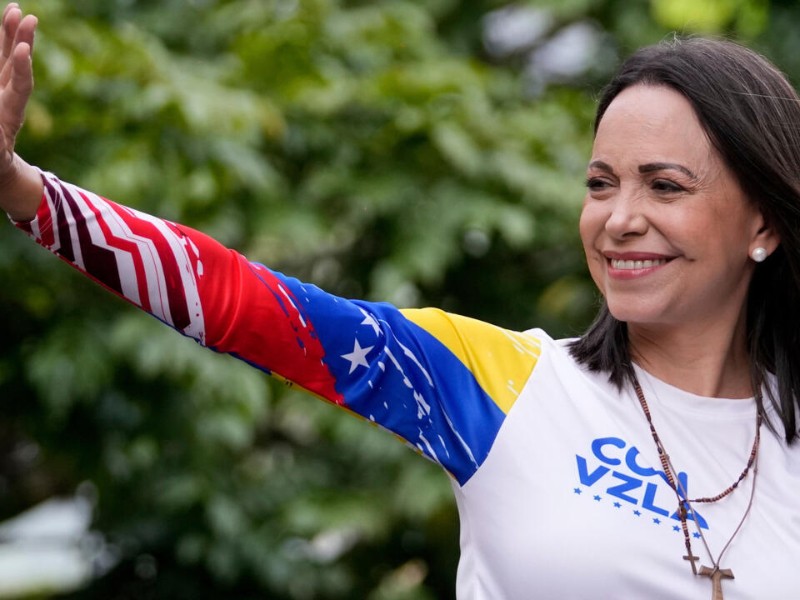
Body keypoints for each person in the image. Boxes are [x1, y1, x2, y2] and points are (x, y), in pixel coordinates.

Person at [2, 3, 799, 598]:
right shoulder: (503, 383)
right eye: (600, 184)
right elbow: (242, 301)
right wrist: (25, 192)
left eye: (665, 186)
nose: (619, 219)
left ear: (763, 222)